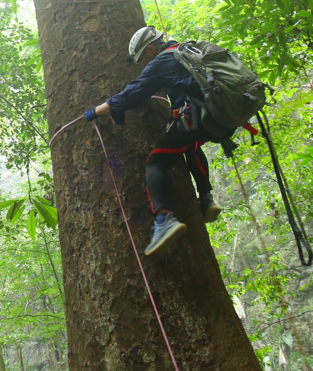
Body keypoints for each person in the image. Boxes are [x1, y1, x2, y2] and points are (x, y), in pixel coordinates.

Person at [83, 26, 232, 257]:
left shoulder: (162, 61)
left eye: (143, 57)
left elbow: (134, 91)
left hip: (198, 114)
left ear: (150, 49)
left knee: (156, 162)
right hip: (220, 111)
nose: (144, 63)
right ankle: (206, 198)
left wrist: (98, 110)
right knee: (189, 145)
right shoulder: (185, 51)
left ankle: (163, 220)